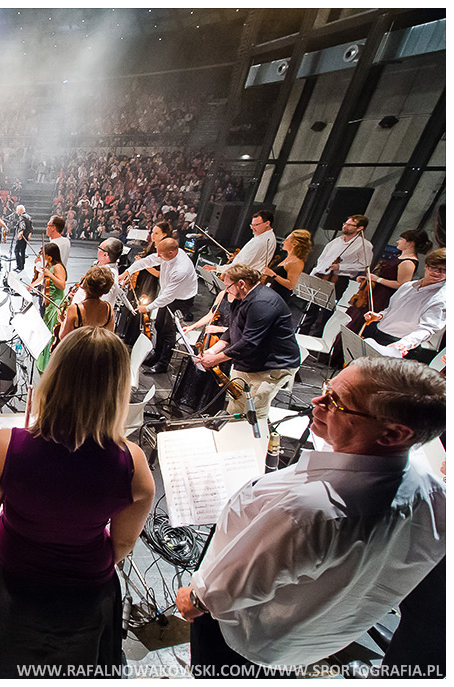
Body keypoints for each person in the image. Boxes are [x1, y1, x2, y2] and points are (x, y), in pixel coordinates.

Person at [176, 357, 446, 677]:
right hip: (302, 640)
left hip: (241, 637)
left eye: (336, 402)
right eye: (327, 388)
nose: (317, 401)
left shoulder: (313, 512)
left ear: (393, 434)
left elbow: (232, 588)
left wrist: (196, 598)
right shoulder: (435, 493)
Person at [0, 327, 155, 678]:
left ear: (54, 376)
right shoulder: (134, 466)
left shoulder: (4, 447)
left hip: (12, 584)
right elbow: (121, 545)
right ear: (119, 388)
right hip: (87, 595)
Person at [195, 264, 302, 419]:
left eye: (228, 286)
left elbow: (249, 342)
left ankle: (255, 434)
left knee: (254, 411)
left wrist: (215, 359)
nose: (226, 291)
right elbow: (233, 328)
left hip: (273, 365)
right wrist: (212, 351)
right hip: (250, 361)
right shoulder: (240, 297)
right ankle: (233, 431)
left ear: (241, 283)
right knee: (236, 404)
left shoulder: (262, 303)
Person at [121, 237, 199, 374]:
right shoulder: (167, 254)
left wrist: (147, 308)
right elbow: (147, 261)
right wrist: (127, 273)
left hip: (180, 299)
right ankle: (156, 356)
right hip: (168, 294)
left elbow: (168, 297)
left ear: (171, 253)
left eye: (160, 253)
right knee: (159, 325)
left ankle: (162, 364)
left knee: (168, 331)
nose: (157, 256)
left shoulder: (181, 269)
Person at [362, 248, 446, 364]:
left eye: (444, 270)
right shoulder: (408, 286)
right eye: (434, 267)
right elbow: (391, 309)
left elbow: (427, 329)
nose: (437, 272)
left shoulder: (441, 298)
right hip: (379, 333)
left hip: (400, 343)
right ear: (426, 267)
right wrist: (380, 316)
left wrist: (403, 344)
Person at [298, 214, 373, 336]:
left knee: (326, 310)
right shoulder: (336, 241)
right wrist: (314, 274)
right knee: (312, 307)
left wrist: (341, 267)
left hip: (339, 279)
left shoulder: (364, 245)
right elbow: (322, 259)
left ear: (360, 228)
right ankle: (302, 332)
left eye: (350, 225)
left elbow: (364, 265)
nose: (345, 226)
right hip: (323, 275)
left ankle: (318, 335)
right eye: (345, 223)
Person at [346, 228, 432, 329]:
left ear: (410, 243)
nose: (398, 241)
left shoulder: (408, 262)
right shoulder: (398, 256)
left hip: (382, 297)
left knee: (361, 324)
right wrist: (368, 279)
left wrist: (378, 279)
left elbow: (402, 284)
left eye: (402, 239)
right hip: (374, 292)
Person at [204, 210, 277, 274]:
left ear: (267, 223)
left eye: (256, 225)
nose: (252, 228)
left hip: (245, 277)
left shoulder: (260, 241)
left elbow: (241, 266)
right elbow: (252, 260)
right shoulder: (269, 236)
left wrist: (216, 268)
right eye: (251, 225)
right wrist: (237, 258)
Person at [31, 243, 67, 373]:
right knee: (46, 331)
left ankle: (50, 364)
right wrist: (31, 286)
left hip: (56, 302)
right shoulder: (49, 265)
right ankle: (44, 361)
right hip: (48, 302)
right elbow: (42, 278)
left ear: (50, 256)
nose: (42, 256)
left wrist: (50, 275)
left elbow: (62, 285)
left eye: (44, 254)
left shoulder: (58, 267)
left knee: (53, 334)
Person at [60, 266, 117, 340]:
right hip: (98, 347)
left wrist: (62, 321)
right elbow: (110, 336)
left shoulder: (75, 309)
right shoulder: (108, 308)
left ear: (85, 284)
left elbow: (63, 337)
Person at [261, 229, 312, 305]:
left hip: (278, 299)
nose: (283, 242)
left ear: (294, 244)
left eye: (286, 240)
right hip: (271, 294)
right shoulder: (287, 257)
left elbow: (290, 285)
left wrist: (273, 274)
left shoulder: (297, 262)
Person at [14, 204, 33, 273]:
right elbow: (31, 227)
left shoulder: (21, 217)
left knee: (16, 251)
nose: (16, 212)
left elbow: (22, 225)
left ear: (20, 210)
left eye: (17, 210)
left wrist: (21, 232)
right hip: (26, 237)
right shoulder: (28, 217)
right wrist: (29, 234)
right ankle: (22, 266)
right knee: (22, 251)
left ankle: (19, 266)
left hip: (21, 237)